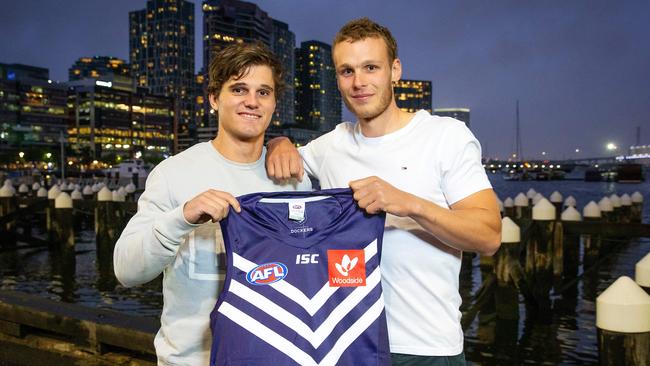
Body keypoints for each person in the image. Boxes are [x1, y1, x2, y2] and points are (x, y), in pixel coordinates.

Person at [266, 18, 501, 365]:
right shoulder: (331, 145)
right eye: (347, 71)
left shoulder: (445, 136)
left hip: (425, 347)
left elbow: (489, 236)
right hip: (345, 341)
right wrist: (279, 141)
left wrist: (408, 204)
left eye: (370, 68)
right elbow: (284, 163)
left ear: (395, 71)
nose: (358, 82)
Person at [114, 42, 311, 365]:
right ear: (214, 98)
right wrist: (183, 217)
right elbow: (126, 270)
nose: (252, 101)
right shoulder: (173, 173)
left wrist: (282, 141)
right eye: (238, 89)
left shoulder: (294, 178)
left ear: (275, 103)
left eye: (264, 92)